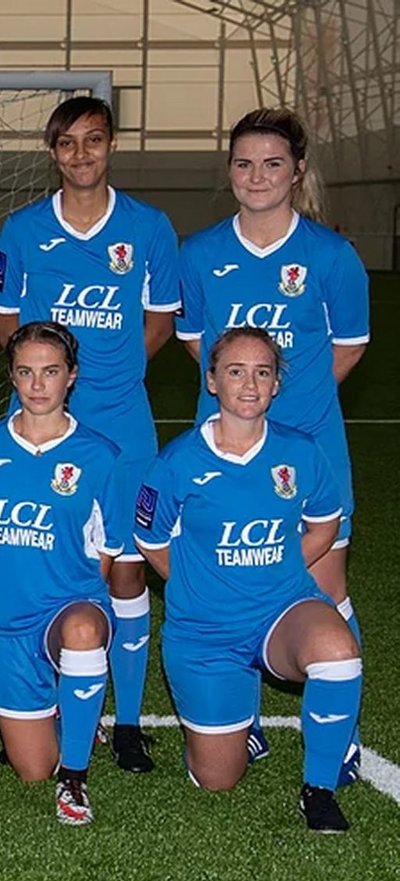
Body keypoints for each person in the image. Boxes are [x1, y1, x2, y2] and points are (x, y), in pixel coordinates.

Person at [0, 96, 179, 771]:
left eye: (92, 141)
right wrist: (47, 383)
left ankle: (124, 722)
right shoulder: (20, 229)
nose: (80, 154)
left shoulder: (150, 228)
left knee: (126, 570)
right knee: (38, 557)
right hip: (44, 427)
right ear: (52, 151)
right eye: (67, 143)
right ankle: (27, 696)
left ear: (111, 145)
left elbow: (159, 320)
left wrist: (116, 376)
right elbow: (9, 324)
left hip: (123, 426)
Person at [175, 108, 368, 774]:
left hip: (309, 450)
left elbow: (348, 347)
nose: (257, 176)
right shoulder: (198, 254)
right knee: (229, 575)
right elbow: (201, 345)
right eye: (244, 163)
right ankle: (244, 716)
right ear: (229, 170)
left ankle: (338, 738)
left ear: (298, 171)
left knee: (322, 584)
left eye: (273, 163)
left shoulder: (331, 255)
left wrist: (290, 406)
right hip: (224, 454)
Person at [134, 327, 362, 833]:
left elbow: (325, 520)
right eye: (236, 371)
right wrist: (203, 583)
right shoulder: (177, 462)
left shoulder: (300, 453)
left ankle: (319, 787)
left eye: (263, 372)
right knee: (218, 780)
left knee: (337, 650)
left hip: (281, 610)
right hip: (204, 633)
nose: (251, 384)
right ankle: (240, 717)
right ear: (212, 381)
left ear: (277, 384)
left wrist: (282, 567)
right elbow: (150, 540)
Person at [0, 322, 125, 825]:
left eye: (51, 372)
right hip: (5, 625)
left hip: (67, 608)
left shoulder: (100, 456)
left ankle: (74, 778)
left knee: (80, 631)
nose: (38, 385)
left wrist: (79, 603)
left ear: (71, 377)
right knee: (32, 768)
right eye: (26, 372)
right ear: (11, 377)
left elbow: (104, 556)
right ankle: (67, 709)